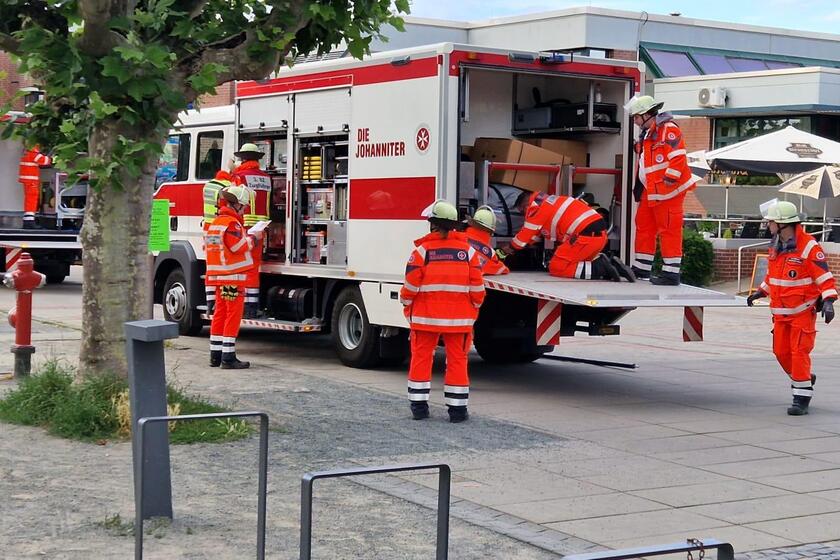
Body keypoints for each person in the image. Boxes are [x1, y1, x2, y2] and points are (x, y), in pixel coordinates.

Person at [747, 200, 836, 415]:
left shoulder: (808, 247)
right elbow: (774, 276)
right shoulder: (776, 245)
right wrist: (761, 291)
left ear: (783, 224)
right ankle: (803, 377)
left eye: (771, 222)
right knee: (780, 351)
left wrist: (829, 300)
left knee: (798, 353)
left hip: (802, 313)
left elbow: (823, 276)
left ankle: (801, 399)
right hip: (780, 314)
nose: (768, 225)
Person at [399, 200, 485, 423]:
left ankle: (419, 408)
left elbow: (410, 286)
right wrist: (473, 308)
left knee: (421, 358)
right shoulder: (469, 253)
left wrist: (406, 303)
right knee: (458, 360)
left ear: (433, 225)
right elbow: (478, 288)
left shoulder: (421, 252)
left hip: (424, 319)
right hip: (459, 321)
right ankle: (457, 411)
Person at [625, 95, 700, 285]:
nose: (634, 121)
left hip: (669, 192)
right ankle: (641, 268)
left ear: (645, 115)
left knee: (669, 230)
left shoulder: (668, 129)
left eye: (636, 117)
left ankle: (671, 273)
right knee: (644, 226)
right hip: (652, 191)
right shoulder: (649, 133)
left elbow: (678, 155)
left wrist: (670, 177)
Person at [501, 191, 634, 282]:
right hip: (598, 236)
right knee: (576, 264)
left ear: (525, 206)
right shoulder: (549, 201)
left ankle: (601, 267)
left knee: (557, 267)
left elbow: (523, 237)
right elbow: (536, 235)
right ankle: (612, 266)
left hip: (584, 237)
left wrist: (508, 248)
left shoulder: (535, 209)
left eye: (521, 211)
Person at [205, 185, 264, 369]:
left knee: (220, 314)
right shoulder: (231, 224)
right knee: (233, 315)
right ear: (237, 205)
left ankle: (215, 355)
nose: (245, 210)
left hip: (219, 277)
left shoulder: (216, 223)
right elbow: (238, 247)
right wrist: (254, 237)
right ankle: (228, 358)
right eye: (244, 207)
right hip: (233, 277)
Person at [231, 143, 272, 318]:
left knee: (239, 267)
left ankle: (240, 305)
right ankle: (252, 307)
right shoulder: (266, 178)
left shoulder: (239, 176)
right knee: (254, 267)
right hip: (260, 230)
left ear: (243, 158)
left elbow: (232, 200)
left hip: (243, 227)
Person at [202, 169, 234, 316]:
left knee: (211, 267)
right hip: (221, 227)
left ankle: (210, 303)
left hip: (208, 230)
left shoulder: (208, 185)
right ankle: (222, 301)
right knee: (224, 268)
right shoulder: (227, 187)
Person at [465, 205, 509, 275]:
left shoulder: (458, 238)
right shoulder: (489, 253)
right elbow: (499, 269)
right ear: (491, 231)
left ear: (472, 223)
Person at [19, 145, 52, 229]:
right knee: (32, 199)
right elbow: (44, 161)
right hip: (31, 180)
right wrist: (51, 157)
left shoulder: (27, 152)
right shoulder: (33, 152)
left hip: (28, 180)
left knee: (29, 199)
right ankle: (29, 221)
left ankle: (28, 220)